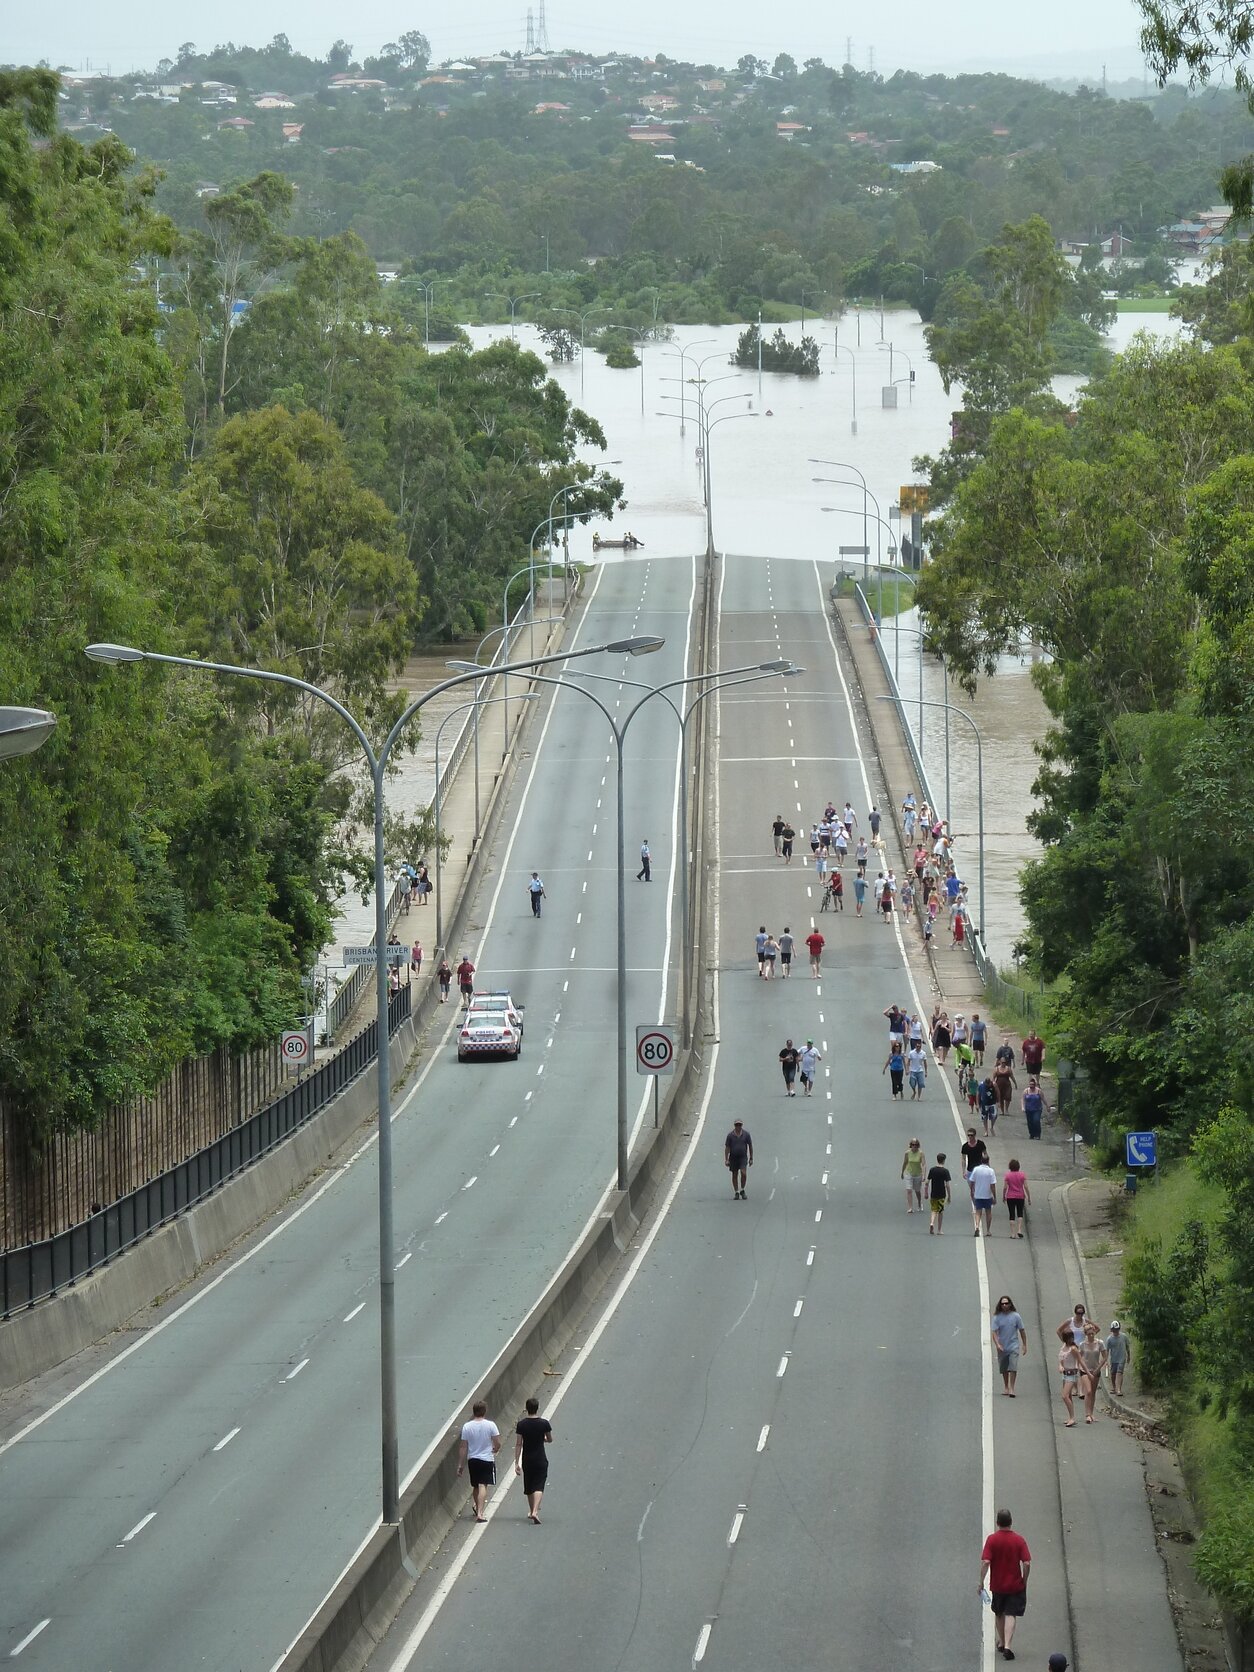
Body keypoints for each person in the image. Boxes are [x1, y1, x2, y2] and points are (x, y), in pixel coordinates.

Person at [980, 1509, 1031, 1660]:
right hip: (1015, 1585)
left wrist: (981, 1582)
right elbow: (1027, 1563)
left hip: (998, 1585)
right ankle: (1008, 1645)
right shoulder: (1019, 1540)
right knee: (1011, 1614)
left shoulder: (992, 1540)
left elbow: (986, 1562)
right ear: (1011, 1522)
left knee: (999, 1613)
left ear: (997, 1523)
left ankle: (1002, 1642)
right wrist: (1024, 1580)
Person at [457, 1400, 502, 1523]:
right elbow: (497, 1442)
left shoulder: (467, 1426)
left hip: (473, 1459)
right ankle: (480, 1513)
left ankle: (477, 1507)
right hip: (486, 1459)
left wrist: (460, 1464)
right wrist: (496, 1449)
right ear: (484, 1411)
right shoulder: (490, 1425)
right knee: (483, 1485)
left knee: (476, 1485)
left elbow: (463, 1446)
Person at [514, 1396, 553, 1524]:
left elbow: (519, 1444)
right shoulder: (544, 1423)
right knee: (539, 1485)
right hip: (540, 1458)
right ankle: (535, 1511)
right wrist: (542, 1439)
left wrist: (516, 1462)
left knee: (529, 1486)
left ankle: (532, 1511)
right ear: (537, 1408)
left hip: (527, 1459)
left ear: (526, 1409)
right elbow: (549, 1439)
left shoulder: (521, 1424)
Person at [991, 1295, 1028, 1396]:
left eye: (1006, 1303)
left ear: (1010, 1304)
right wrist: (997, 1344)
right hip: (1002, 1346)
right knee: (1004, 1368)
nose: (1004, 1305)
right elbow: (994, 1332)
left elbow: (1022, 1330)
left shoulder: (1016, 1316)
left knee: (1013, 1367)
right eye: (1002, 1304)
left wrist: (1024, 1344)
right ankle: (1006, 1387)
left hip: (1013, 1345)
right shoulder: (997, 1317)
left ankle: (1012, 1388)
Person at [1078, 1322, 1108, 1423]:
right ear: (1086, 1334)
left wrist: (1098, 1368)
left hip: (1095, 1370)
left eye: (1092, 1333)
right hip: (1085, 1371)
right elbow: (1080, 1358)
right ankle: (1087, 1414)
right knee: (1088, 1391)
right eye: (1089, 1334)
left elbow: (1105, 1357)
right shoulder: (1082, 1345)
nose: (1091, 1335)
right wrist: (1085, 1369)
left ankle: (1091, 1413)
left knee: (1093, 1392)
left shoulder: (1100, 1343)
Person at [1058, 1336, 1084, 1426]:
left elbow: (1080, 1360)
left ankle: (1072, 1418)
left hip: (1071, 1374)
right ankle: (1070, 1417)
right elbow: (1061, 1359)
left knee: (1064, 1396)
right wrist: (1060, 1366)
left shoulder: (1073, 1349)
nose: (1070, 1340)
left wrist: (1086, 1372)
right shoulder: (1064, 1346)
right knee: (1069, 1396)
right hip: (1065, 1374)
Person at [969, 1156, 997, 1237]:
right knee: (988, 1212)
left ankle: (977, 1226)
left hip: (978, 1194)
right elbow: (992, 1185)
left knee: (978, 1212)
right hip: (987, 1195)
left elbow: (972, 1181)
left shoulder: (976, 1169)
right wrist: (994, 1196)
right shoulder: (991, 1171)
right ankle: (988, 1230)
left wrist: (972, 1191)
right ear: (988, 1161)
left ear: (981, 1161)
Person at [725, 1119, 753, 1199]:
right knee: (734, 1174)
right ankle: (736, 1191)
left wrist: (751, 1158)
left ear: (742, 1126)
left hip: (743, 1157)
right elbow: (727, 1147)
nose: (738, 1126)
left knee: (743, 1173)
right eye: (737, 1125)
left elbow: (750, 1146)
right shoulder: (730, 1135)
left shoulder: (746, 1135)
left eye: (739, 1125)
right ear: (734, 1126)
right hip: (733, 1157)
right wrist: (726, 1159)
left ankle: (742, 1189)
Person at [1003, 1159, 1031, 1237]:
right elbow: (1026, 1186)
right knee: (1020, 1213)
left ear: (1010, 1167)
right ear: (1018, 1166)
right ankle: (1019, 1230)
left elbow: (1005, 1187)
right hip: (1020, 1196)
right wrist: (1028, 1197)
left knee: (1011, 1214)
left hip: (1010, 1196)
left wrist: (1004, 1195)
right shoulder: (1022, 1175)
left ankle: (1012, 1233)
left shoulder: (1008, 1175)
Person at [927, 1152, 952, 1234]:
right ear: (944, 1160)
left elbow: (927, 1182)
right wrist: (949, 1196)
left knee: (933, 1210)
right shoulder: (945, 1171)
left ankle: (932, 1223)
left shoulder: (932, 1170)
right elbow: (947, 1185)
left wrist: (926, 1192)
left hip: (933, 1193)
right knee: (940, 1211)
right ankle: (939, 1230)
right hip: (941, 1194)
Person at [1105, 1320, 1130, 1396]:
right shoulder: (1109, 1339)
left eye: (1117, 1329)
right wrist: (1106, 1360)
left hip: (1122, 1358)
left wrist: (1129, 1356)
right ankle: (1114, 1387)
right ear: (1112, 1330)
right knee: (1113, 1374)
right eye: (1114, 1330)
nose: (1116, 1331)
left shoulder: (1124, 1336)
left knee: (1119, 1373)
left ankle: (1118, 1389)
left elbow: (1127, 1347)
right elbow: (1107, 1350)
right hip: (1113, 1359)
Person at [901, 1138, 926, 1213]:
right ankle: (910, 1207)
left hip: (918, 1174)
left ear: (918, 1146)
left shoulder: (921, 1153)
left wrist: (924, 1175)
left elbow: (924, 1164)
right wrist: (902, 1172)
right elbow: (905, 1162)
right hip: (909, 1173)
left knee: (917, 1191)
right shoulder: (907, 1153)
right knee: (909, 1190)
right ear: (910, 1145)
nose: (914, 1146)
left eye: (916, 1145)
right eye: (912, 1145)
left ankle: (919, 1203)